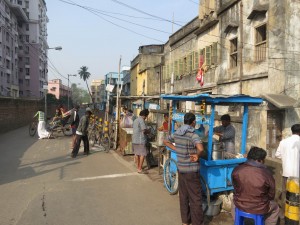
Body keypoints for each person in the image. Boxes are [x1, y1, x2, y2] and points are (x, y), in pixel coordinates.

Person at [163, 112, 204, 225]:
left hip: (181, 170)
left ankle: (185, 222)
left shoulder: (177, 132)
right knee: (195, 199)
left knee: (184, 197)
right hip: (191, 171)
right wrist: (197, 155)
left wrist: (176, 149)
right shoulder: (193, 134)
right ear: (193, 122)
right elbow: (200, 148)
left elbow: (165, 141)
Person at [231, 146, 280, 225]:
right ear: (260, 160)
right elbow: (271, 195)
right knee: (276, 208)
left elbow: (235, 187)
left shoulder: (237, 169)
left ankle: (238, 222)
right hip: (259, 207)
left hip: (240, 204)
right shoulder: (266, 173)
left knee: (233, 204)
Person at [275, 124, 300, 194]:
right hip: (298, 173)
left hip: (287, 172)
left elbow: (277, 154)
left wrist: (286, 157)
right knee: (297, 195)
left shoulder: (283, 142)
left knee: (286, 193)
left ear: (292, 131)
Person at [132, 109, 150, 174]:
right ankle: (140, 168)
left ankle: (138, 167)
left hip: (134, 139)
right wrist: (149, 131)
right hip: (140, 140)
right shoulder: (141, 120)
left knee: (137, 153)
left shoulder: (135, 120)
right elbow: (144, 130)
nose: (146, 117)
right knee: (142, 154)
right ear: (145, 115)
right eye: (146, 116)